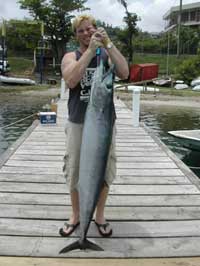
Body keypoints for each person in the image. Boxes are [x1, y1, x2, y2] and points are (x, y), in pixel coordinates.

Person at [59, 14, 129, 237]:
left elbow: (124, 72)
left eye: (90, 29)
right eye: (81, 31)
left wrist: (108, 44)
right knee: (75, 170)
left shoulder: (106, 54)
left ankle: (99, 215)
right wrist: (90, 52)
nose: (87, 33)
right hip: (79, 123)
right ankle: (77, 215)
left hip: (104, 124)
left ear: (96, 29)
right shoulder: (71, 56)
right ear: (76, 35)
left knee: (104, 170)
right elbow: (71, 80)